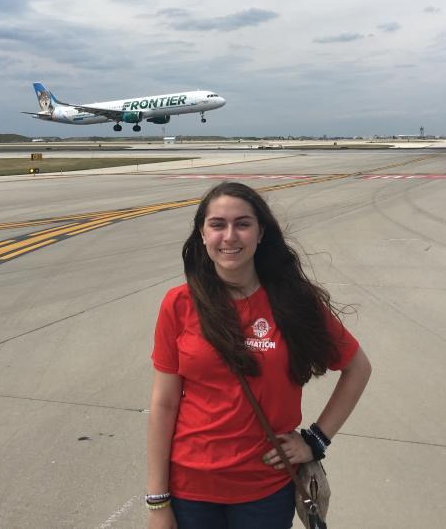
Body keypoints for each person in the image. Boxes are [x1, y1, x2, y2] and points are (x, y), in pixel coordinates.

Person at [146, 181, 372, 529]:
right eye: (217, 224)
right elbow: (164, 404)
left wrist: (316, 440)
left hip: (265, 492)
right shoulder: (179, 304)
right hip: (190, 490)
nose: (230, 236)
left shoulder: (294, 301)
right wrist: (158, 502)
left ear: (261, 232)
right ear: (202, 235)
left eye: (243, 223)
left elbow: (357, 368)